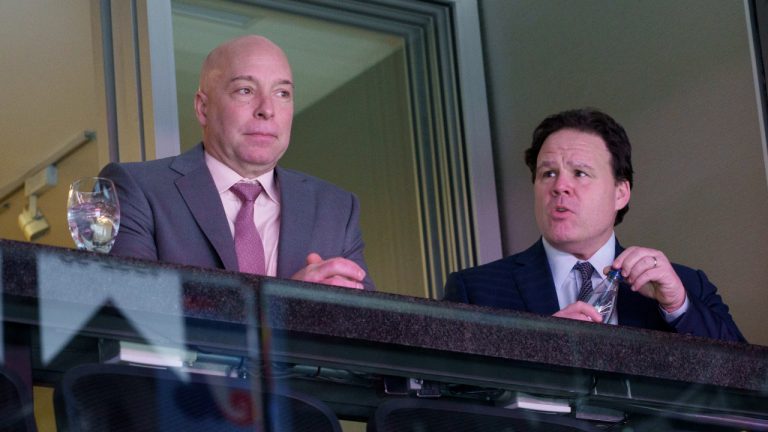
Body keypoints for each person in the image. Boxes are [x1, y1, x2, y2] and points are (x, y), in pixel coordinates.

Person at [444, 108, 744, 342]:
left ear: (620, 193)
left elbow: (750, 386)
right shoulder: (475, 291)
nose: (560, 186)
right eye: (548, 173)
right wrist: (541, 349)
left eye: (580, 173)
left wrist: (678, 307)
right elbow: (451, 401)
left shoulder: (686, 287)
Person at [100, 35, 373, 290]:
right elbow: (134, 309)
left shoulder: (336, 209)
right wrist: (290, 305)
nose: (267, 109)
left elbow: (368, 328)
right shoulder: (137, 189)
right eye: (245, 90)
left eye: (282, 93)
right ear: (203, 108)